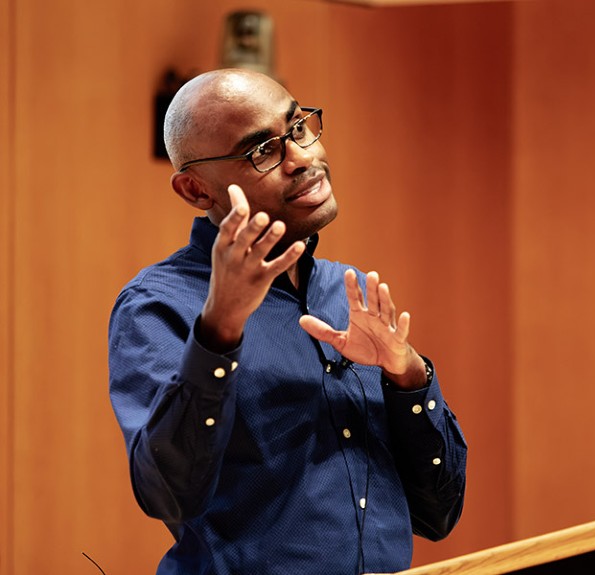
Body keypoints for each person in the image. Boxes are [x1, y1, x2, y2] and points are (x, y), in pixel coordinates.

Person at [108, 68, 468, 575]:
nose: (302, 157)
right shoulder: (158, 304)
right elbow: (167, 495)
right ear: (195, 190)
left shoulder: (350, 291)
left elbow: (439, 512)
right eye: (262, 151)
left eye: (297, 127)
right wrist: (220, 328)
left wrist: (408, 377)